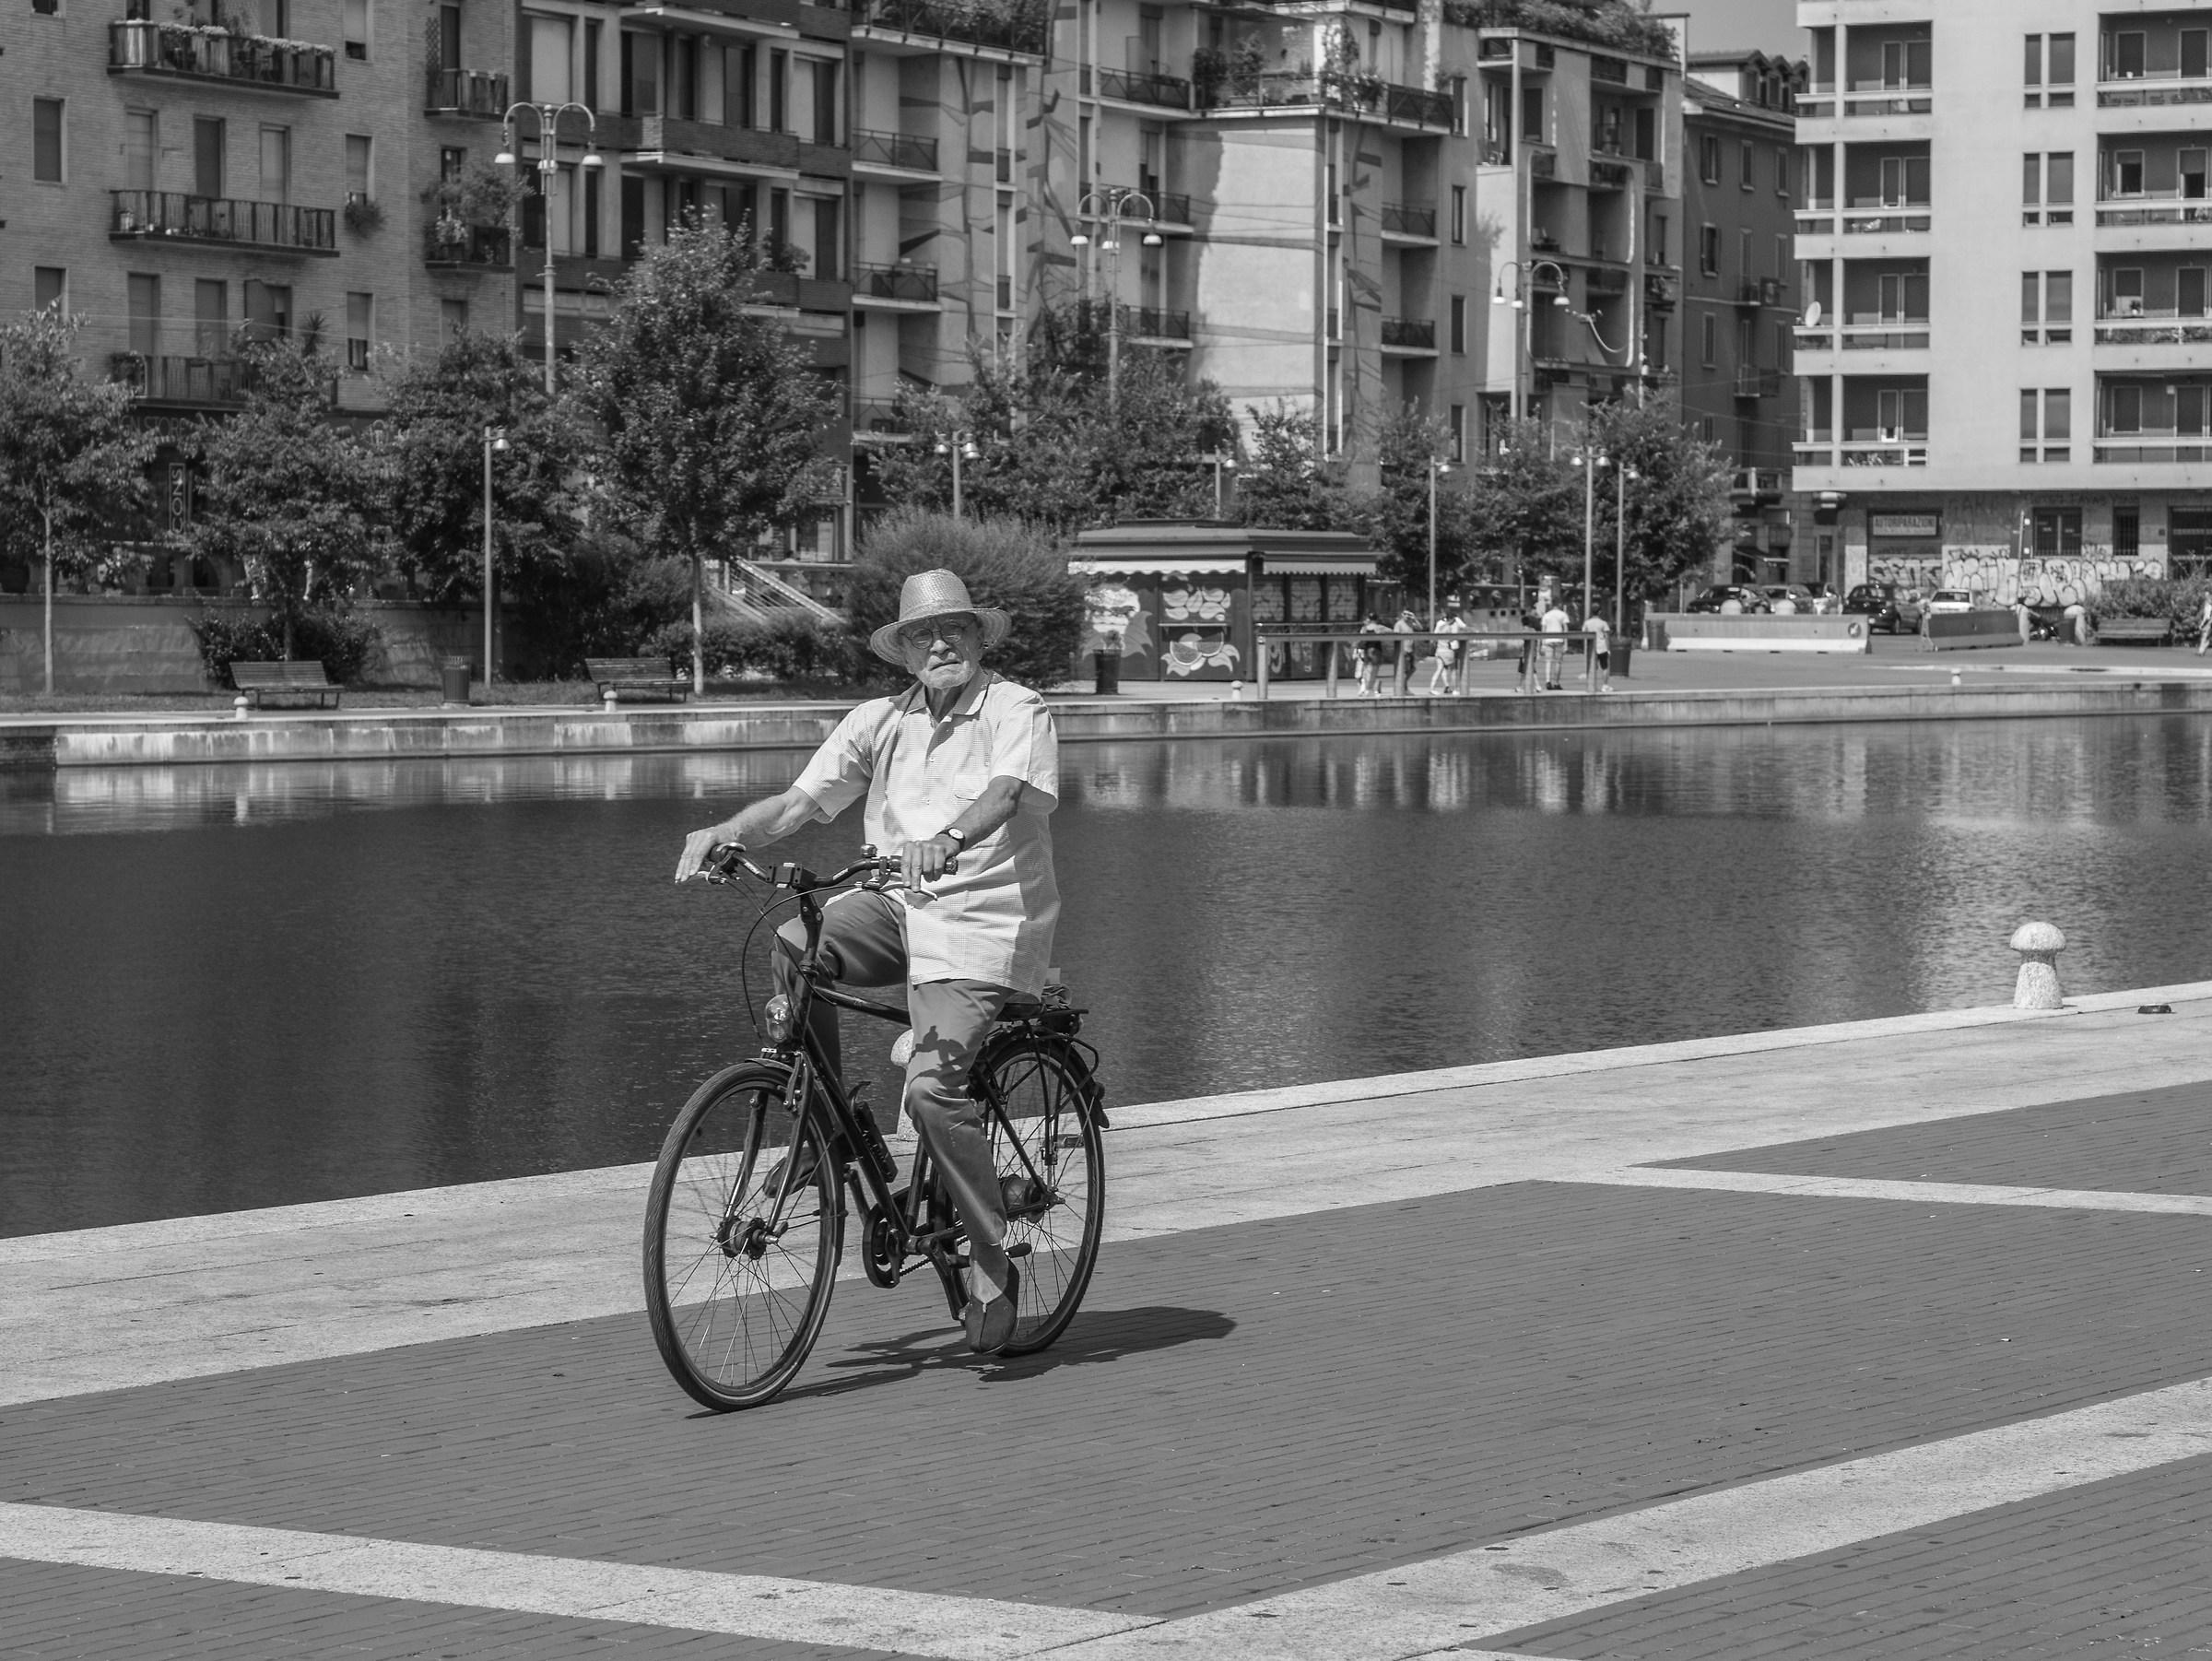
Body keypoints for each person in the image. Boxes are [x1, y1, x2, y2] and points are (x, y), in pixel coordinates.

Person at [673, 570, 1060, 1356]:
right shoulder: (880, 720)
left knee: (929, 1087)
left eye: (954, 629)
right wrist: (727, 831)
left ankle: (991, 1256)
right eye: (922, 633)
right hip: (895, 910)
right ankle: (821, 1125)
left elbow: (1009, 793)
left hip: (983, 922)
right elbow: (799, 804)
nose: (939, 643)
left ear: (981, 637)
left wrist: (947, 838)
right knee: (794, 943)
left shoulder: (1017, 708)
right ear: (905, 650)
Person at [1431, 601, 1468, 695]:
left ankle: (1438, 687)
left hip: (1439, 649)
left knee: (1441, 669)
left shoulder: (1440, 624)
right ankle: (1454, 688)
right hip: (1449, 648)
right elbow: (1463, 627)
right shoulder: (1452, 623)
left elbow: (1435, 635)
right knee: (1453, 669)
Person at [1539, 595, 1571, 689]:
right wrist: (1566, 642)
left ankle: (1548, 681)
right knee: (1558, 662)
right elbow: (1565, 629)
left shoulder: (1546, 615)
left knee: (1548, 661)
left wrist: (1542, 643)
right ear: (1559, 604)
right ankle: (1556, 682)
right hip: (1559, 640)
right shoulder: (1563, 614)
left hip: (1548, 640)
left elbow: (1543, 629)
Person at [1393, 607, 1421, 696]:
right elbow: (1396, 636)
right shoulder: (1399, 624)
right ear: (1402, 614)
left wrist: (1414, 618)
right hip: (1403, 650)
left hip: (1411, 650)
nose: (1407, 616)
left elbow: (1420, 628)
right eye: (1405, 614)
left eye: (1408, 614)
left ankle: (1403, 687)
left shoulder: (1410, 623)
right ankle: (1403, 688)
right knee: (1404, 671)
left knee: (1412, 669)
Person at [1356, 613, 1386, 695]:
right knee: (1373, 671)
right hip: (1375, 651)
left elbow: (1360, 639)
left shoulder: (1364, 628)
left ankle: (1366, 688)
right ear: (1377, 619)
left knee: (1366, 671)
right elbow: (1393, 632)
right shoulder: (1379, 627)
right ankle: (1369, 689)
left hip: (1366, 651)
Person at [1584, 607, 1613, 692]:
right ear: (1600, 612)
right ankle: (1605, 685)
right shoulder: (1603, 623)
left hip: (1591, 647)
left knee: (1592, 667)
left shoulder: (1587, 623)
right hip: (1602, 647)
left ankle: (1592, 685)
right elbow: (1606, 637)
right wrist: (1609, 649)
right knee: (1605, 667)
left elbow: (1584, 633)